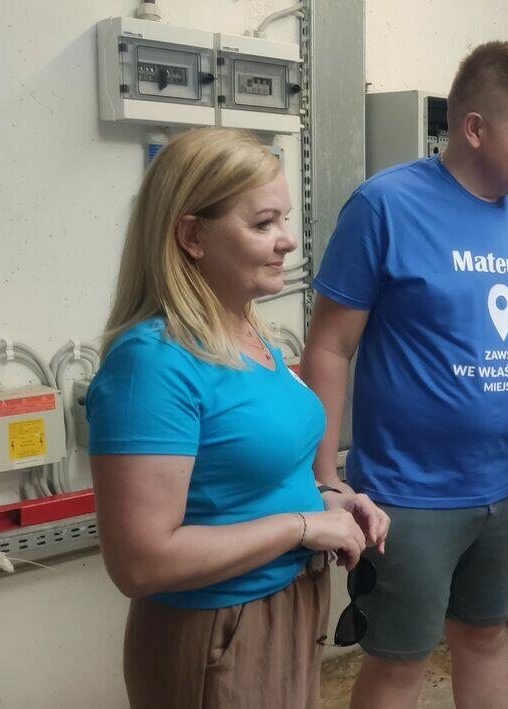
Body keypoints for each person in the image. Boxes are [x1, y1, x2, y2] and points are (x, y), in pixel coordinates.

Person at [301, 41, 508, 709]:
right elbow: (330, 346)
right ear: (474, 128)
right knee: (399, 663)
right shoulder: (384, 206)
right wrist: (324, 474)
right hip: (410, 495)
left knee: (486, 638)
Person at [88, 127, 389, 709]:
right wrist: (301, 528)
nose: (289, 241)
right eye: (263, 224)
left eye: (285, 219)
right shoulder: (154, 363)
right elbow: (141, 564)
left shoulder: (252, 334)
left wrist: (330, 500)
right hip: (219, 629)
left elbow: (249, 478)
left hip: (289, 605)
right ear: (192, 236)